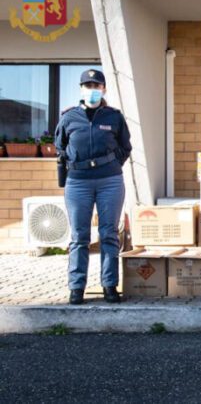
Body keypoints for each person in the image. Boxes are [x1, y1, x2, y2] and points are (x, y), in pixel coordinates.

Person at [55, 69, 132, 305]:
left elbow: (125, 147)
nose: (92, 90)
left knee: (109, 234)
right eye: (88, 86)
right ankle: (76, 287)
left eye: (96, 86)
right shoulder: (69, 117)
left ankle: (109, 286)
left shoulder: (114, 116)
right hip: (78, 182)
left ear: (104, 89)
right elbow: (60, 148)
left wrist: (109, 165)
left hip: (110, 181)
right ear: (81, 89)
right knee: (79, 237)